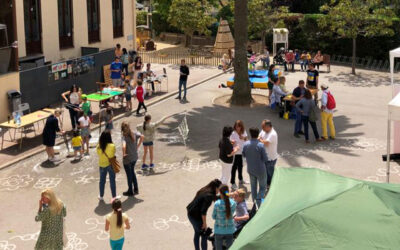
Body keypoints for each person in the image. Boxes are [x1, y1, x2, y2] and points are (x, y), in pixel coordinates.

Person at [187, 179, 221, 250]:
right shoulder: (209, 196)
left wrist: (228, 193)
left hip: (190, 213)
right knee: (204, 235)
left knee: (197, 233)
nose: (219, 191)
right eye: (219, 189)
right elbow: (203, 212)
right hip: (196, 217)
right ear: (216, 188)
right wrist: (204, 223)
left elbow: (217, 197)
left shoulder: (205, 189)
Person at [242, 127, 268, 207]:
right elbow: (265, 158)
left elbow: (243, 155)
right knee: (263, 187)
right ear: (258, 134)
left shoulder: (246, 144)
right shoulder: (260, 145)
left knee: (253, 188)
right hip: (260, 170)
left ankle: (254, 204)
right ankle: (259, 200)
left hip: (251, 169)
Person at [121, 122, 143, 196]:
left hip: (127, 159)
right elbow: (142, 136)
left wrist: (124, 154)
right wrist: (138, 146)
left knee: (129, 175)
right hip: (134, 157)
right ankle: (136, 189)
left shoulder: (124, 136)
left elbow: (124, 146)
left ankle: (130, 190)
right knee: (132, 172)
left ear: (122, 129)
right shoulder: (134, 133)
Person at [212, 185, 236, 250]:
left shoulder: (217, 203)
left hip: (219, 230)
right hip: (230, 229)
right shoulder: (233, 203)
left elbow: (213, 216)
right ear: (227, 192)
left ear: (220, 193)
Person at [96, 131, 118, 201]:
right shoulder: (112, 146)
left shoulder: (99, 146)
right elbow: (114, 152)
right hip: (110, 164)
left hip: (102, 165)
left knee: (102, 181)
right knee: (112, 180)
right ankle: (114, 197)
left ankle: (101, 195)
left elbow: (98, 154)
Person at [259, 120, 278, 187]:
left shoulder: (273, 134)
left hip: (271, 158)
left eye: (263, 127)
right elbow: (259, 136)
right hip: (265, 157)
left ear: (268, 127)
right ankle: (268, 183)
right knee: (266, 172)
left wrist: (260, 140)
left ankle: (272, 185)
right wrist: (261, 140)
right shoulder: (264, 130)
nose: (262, 129)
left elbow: (266, 143)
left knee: (270, 173)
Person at [230, 120, 248, 189]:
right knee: (234, 168)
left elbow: (246, 139)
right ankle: (232, 182)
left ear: (241, 127)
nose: (238, 128)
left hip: (242, 152)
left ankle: (240, 179)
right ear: (235, 126)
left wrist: (244, 138)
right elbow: (230, 142)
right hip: (236, 153)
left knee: (241, 166)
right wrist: (232, 142)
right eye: (237, 127)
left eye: (239, 127)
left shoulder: (244, 132)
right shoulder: (233, 133)